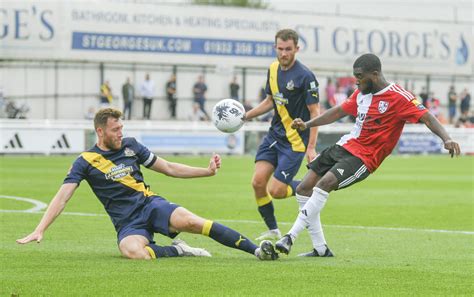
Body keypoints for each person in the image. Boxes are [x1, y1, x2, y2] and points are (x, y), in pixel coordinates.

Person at [16, 108, 278, 261]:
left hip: (151, 205)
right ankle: (180, 250)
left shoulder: (131, 146)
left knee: (194, 222)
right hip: (127, 223)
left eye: (121, 127)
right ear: (100, 132)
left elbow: (169, 168)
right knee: (132, 252)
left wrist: (207, 172)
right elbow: (62, 197)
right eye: (115, 129)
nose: (120, 133)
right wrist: (40, 229)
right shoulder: (85, 161)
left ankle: (257, 251)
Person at [275, 53, 461, 257]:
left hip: (364, 158)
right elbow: (337, 112)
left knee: (323, 184)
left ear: (375, 74)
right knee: (303, 188)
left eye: (359, 76)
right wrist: (308, 124)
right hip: (344, 146)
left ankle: (289, 237)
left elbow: (428, 117)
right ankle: (320, 249)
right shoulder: (361, 92)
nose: (356, 80)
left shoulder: (399, 97)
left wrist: (446, 138)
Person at [243, 29, 320, 241]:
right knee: (258, 183)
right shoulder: (273, 69)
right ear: (275, 47)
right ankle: (273, 230)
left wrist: (311, 147)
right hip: (273, 136)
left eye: (288, 49)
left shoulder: (305, 76)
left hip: (295, 142)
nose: (283, 53)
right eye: (280, 48)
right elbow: (270, 101)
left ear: (296, 48)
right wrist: (246, 116)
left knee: (276, 191)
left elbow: (315, 113)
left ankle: (307, 186)